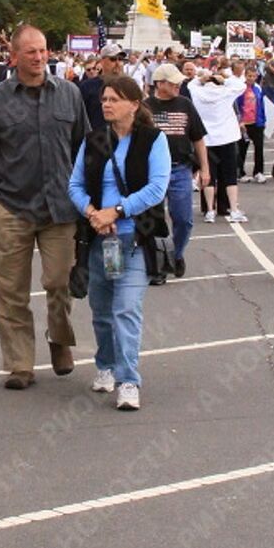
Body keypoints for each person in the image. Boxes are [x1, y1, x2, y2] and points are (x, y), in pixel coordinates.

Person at [0, 24, 89, 389]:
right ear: (15, 57)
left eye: (43, 51)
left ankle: (59, 340)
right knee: (11, 291)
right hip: (12, 207)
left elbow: (83, 147)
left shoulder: (69, 94)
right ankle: (20, 364)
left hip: (60, 209)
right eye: (31, 52)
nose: (39, 58)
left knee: (58, 282)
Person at [69, 76, 170, 410]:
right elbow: (75, 184)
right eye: (104, 99)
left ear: (134, 104)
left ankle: (129, 380)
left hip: (134, 238)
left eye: (114, 99)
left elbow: (157, 188)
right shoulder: (94, 140)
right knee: (101, 310)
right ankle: (106, 365)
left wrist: (117, 211)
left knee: (126, 309)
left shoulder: (153, 140)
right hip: (99, 239)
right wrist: (93, 212)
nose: (106, 104)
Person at [145, 63, 209, 279]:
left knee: (183, 219)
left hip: (181, 169)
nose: (178, 85)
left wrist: (205, 169)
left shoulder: (185, 104)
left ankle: (177, 254)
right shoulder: (145, 107)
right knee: (155, 221)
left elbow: (198, 138)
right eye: (173, 83)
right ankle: (160, 265)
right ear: (159, 84)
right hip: (153, 173)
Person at [188, 65, 247, 223]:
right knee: (230, 175)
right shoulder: (225, 92)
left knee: (209, 175)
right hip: (226, 137)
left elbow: (190, 84)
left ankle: (210, 210)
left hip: (207, 139)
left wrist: (202, 77)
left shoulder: (198, 93)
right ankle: (233, 209)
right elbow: (241, 85)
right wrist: (225, 79)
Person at [78, 42, 126, 130]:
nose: (118, 63)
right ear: (102, 62)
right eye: (113, 59)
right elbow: (79, 117)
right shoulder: (87, 87)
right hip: (96, 139)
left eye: (121, 59)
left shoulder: (128, 86)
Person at [236, 65, 267, 183]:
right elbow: (237, 106)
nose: (251, 78)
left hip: (257, 123)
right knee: (242, 149)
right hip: (245, 123)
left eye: (254, 76)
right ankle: (240, 172)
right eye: (249, 76)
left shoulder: (258, 89)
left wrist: (263, 120)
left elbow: (261, 105)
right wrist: (240, 121)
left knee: (259, 148)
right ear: (245, 76)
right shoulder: (241, 89)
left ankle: (258, 172)